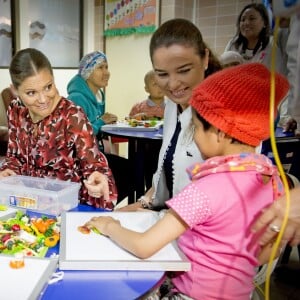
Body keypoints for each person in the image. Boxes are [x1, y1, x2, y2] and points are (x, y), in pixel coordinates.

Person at [84, 63, 289, 299]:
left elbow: (143, 247)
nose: (191, 136)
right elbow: (269, 253)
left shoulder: (207, 188)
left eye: (195, 128)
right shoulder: (274, 180)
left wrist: (110, 226)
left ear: (220, 132)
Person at [118, 18, 222, 211]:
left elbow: (227, 195)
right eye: (162, 75)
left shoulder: (224, 112)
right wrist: (142, 204)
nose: (173, 85)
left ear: (205, 59)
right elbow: (165, 175)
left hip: (200, 230)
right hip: (171, 220)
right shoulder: (173, 106)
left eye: (183, 71)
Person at [0, 48, 117, 209]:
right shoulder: (16, 110)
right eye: (31, 93)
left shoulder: (71, 114)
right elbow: (15, 157)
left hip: (68, 206)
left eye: (48, 87)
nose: (43, 99)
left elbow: (94, 164)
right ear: (15, 90)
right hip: (29, 202)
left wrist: (97, 177)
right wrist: (7, 170)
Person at [67, 51, 130, 203]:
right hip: (82, 159)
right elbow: (77, 135)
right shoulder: (76, 98)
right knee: (131, 171)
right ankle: (104, 205)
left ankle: (107, 204)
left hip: (98, 153)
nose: (107, 73)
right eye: (100, 68)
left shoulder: (99, 95)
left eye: (107, 67)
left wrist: (105, 121)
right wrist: (101, 122)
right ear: (87, 72)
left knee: (133, 169)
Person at [129, 70, 165, 189]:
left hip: (164, 148)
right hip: (144, 149)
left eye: (161, 82)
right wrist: (137, 118)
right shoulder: (139, 107)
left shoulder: (172, 105)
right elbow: (129, 122)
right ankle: (147, 192)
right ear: (147, 89)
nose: (159, 86)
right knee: (145, 171)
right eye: (155, 84)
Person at [224, 3, 284, 73]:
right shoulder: (233, 44)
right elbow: (223, 71)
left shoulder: (272, 44)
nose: (246, 23)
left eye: (252, 18)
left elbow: (278, 75)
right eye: (243, 19)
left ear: (264, 23)